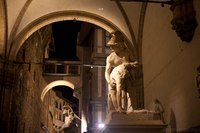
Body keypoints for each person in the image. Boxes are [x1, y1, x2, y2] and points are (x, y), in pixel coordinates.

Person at [105, 31, 138, 113]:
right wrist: (109, 81)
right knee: (113, 89)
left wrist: (129, 64)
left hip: (127, 74)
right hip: (116, 75)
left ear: (118, 45)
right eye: (110, 46)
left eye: (113, 46)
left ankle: (131, 109)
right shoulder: (110, 57)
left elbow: (136, 63)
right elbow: (107, 71)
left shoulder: (126, 53)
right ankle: (117, 108)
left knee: (131, 91)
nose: (111, 48)